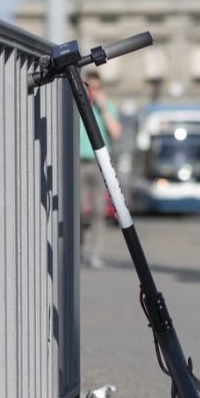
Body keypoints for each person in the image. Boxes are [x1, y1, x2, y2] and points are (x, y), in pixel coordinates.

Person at [79, 70, 122, 269]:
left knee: (98, 211)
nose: (93, 92)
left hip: (99, 163)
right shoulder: (77, 106)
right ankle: (79, 249)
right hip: (78, 162)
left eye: (96, 88)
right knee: (78, 210)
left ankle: (94, 252)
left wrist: (103, 108)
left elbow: (115, 132)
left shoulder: (107, 108)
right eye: (90, 88)